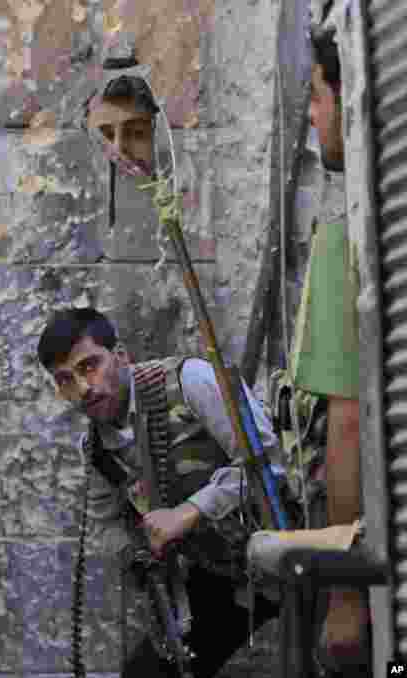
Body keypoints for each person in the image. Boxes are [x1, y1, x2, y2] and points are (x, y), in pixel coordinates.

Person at [38, 307, 284, 678]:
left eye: (89, 366)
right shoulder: (97, 449)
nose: (83, 388)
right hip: (224, 571)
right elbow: (108, 525)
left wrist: (188, 512)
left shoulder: (189, 381)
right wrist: (138, 552)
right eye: (65, 379)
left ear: (120, 356)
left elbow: (269, 464)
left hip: (285, 542)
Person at [285, 20, 368, 673]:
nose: (312, 118)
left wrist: (346, 595)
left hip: (358, 570)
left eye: (317, 96)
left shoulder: (348, 244)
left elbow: (347, 426)